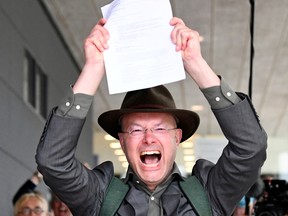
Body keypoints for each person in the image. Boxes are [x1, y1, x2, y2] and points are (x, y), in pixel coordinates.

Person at [36, 17, 267, 215]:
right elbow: (53, 162)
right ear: (122, 141)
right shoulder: (98, 197)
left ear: (177, 137)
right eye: (136, 129)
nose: (148, 138)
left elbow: (250, 147)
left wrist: (196, 63)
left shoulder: (209, 193)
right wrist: (92, 69)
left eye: (159, 128)